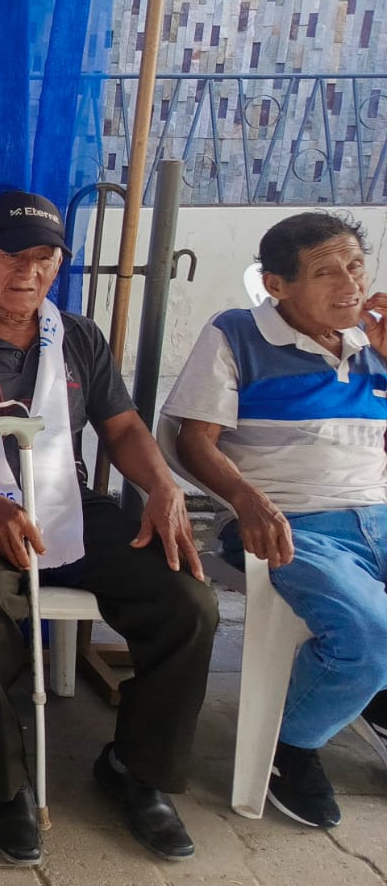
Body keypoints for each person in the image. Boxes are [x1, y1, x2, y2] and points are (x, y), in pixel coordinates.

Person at [0, 190, 217, 866]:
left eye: (43, 259)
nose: (27, 273)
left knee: (188, 601)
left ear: (58, 266)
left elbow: (123, 427)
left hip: (68, 504)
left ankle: (137, 770)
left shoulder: (77, 336)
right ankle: (5, 784)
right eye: (11, 256)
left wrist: (162, 485)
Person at [164, 211, 387, 829]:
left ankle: (371, 695)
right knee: (372, 634)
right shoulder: (237, 333)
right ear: (276, 285)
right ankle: (291, 744)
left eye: (356, 266)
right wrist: (247, 499)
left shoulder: (374, 342)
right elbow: (193, 441)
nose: (350, 283)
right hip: (292, 524)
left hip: (379, 514)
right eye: (326, 272)